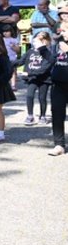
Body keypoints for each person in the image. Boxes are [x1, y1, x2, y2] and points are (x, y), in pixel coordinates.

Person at [19, 31, 54, 126]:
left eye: (40, 41)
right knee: (29, 95)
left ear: (46, 42)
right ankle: (30, 115)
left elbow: (44, 69)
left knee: (42, 98)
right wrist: (8, 63)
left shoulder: (48, 53)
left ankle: (42, 116)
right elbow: (21, 61)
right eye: (35, 40)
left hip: (44, 79)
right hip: (32, 78)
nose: (36, 43)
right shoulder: (30, 51)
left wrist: (28, 73)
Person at [48, 12, 68, 156]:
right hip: (58, 81)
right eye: (61, 31)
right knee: (57, 113)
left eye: (65, 31)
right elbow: (50, 60)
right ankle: (59, 144)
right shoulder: (58, 44)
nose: (63, 34)